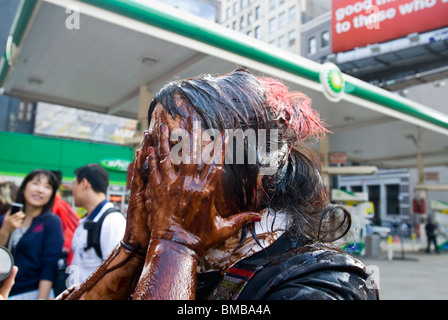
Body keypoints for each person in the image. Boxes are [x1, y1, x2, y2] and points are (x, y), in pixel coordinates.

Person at [57, 69, 379, 300]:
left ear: (253, 169)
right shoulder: (184, 256)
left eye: (178, 152)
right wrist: (133, 249)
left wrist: (177, 242)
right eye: (152, 151)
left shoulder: (325, 282)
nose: (152, 171)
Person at [0, 169, 64, 299]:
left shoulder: (52, 222)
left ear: (52, 194)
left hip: (31, 293)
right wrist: (5, 231)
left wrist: (41, 298)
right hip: (4, 291)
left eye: (47, 186)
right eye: (36, 183)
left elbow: (49, 267)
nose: (40, 190)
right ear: (24, 188)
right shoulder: (7, 218)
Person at [69, 163, 126, 285]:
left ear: (84, 183)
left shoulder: (112, 221)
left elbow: (116, 274)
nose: (72, 190)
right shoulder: (86, 220)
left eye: (74, 184)